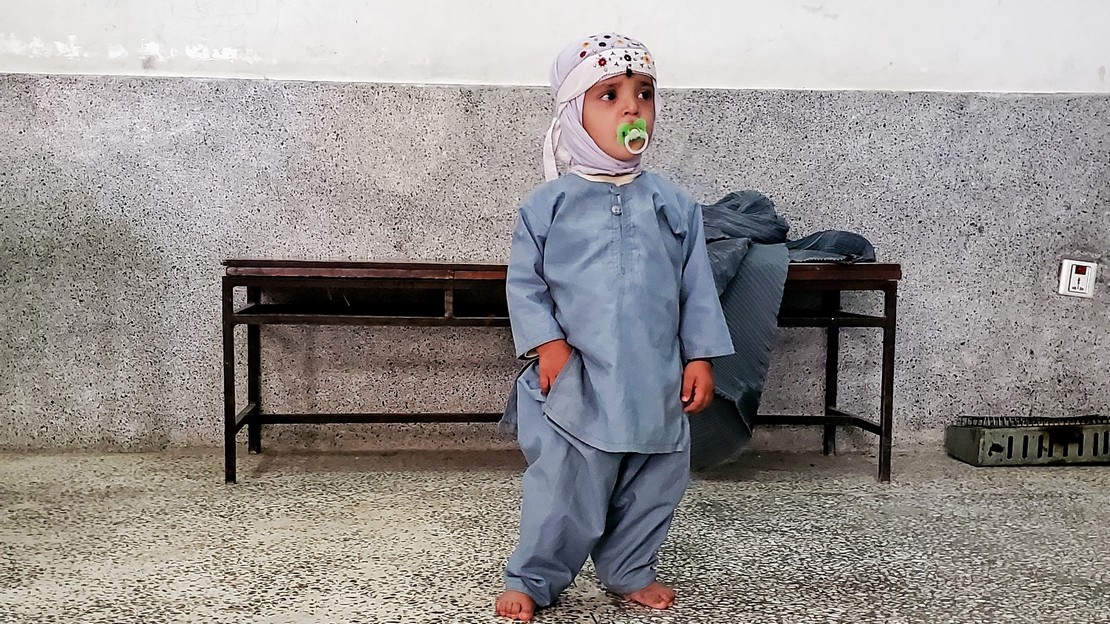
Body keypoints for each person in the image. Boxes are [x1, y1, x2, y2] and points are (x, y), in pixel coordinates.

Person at [495, 33, 734, 622]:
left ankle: (628, 568)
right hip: (578, 379)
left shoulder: (673, 206)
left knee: (655, 483)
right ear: (575, 115)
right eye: (610, 95)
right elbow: (525, 284)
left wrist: (700, 357)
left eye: (644, 94)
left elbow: (695, 286)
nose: (633, 108)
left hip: (656, 378)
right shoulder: (547, 206)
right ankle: (533, 576)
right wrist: (548, 344)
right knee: (565, 488)